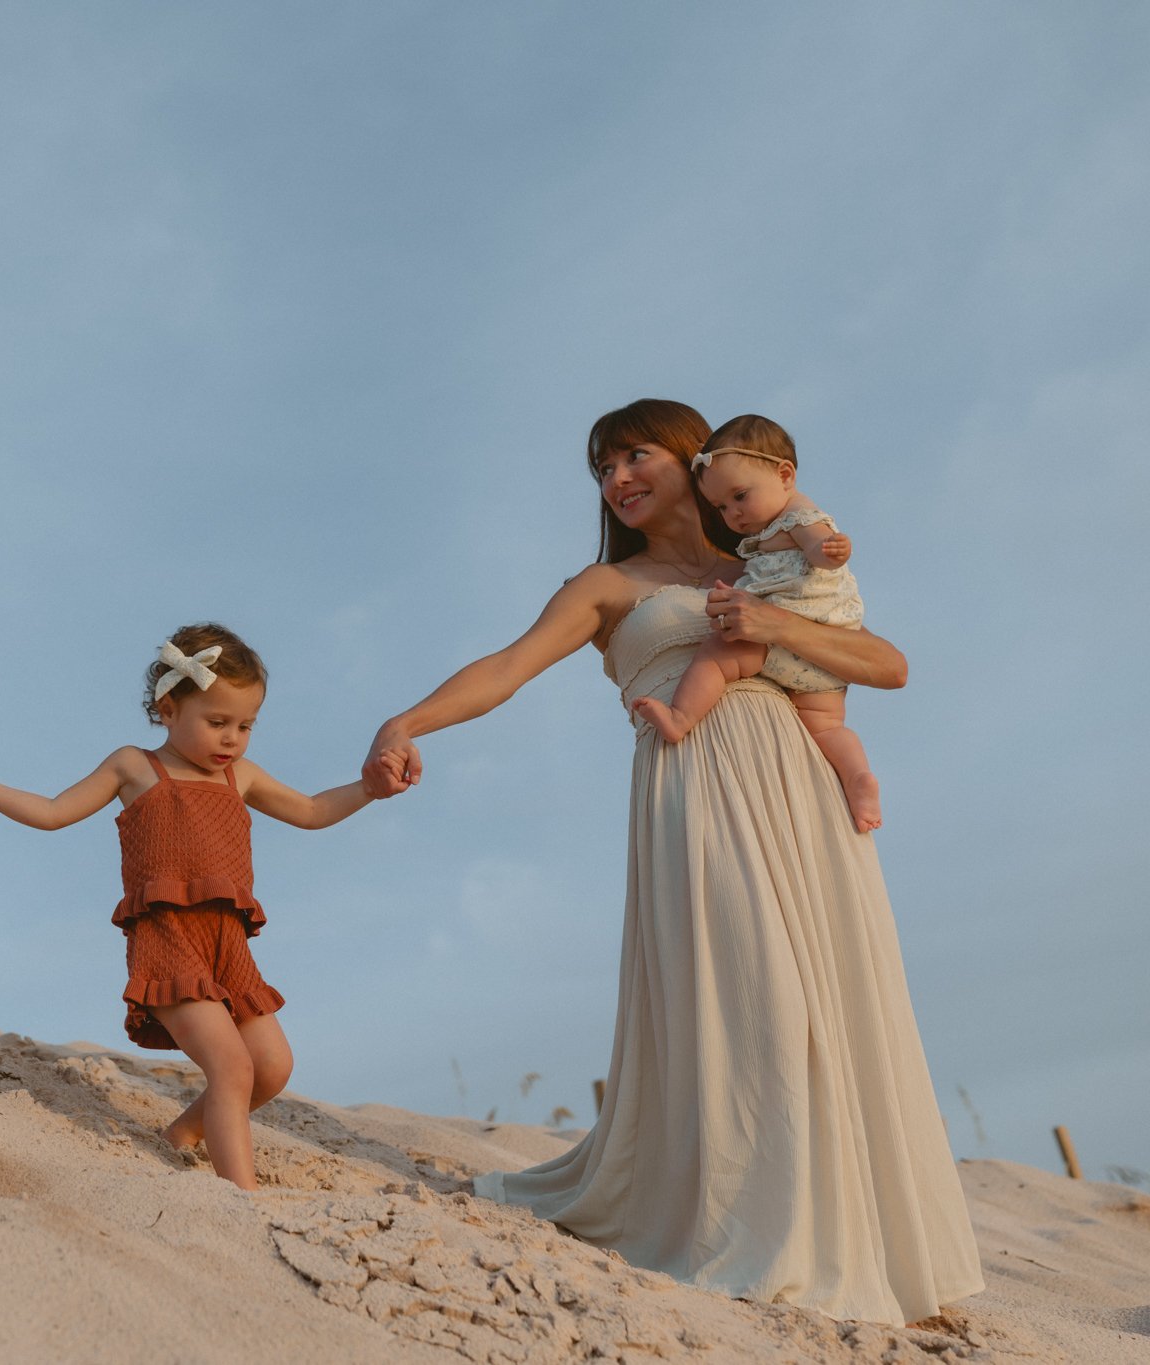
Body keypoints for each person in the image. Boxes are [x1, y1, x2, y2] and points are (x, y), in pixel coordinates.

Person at [363, 399, 982, 1324]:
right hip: (696, 791)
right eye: (603, 469)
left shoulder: (775, 560)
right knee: (756, 994)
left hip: (801, 794)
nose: (617, 480)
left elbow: (885, 662)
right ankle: (764, 1228)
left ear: (697, 457)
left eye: (634, 454)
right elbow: (505, 666)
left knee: (829, 997)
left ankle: (855, 1243)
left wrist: (771, 622)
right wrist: (405, 721)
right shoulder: (607, 586)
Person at [0, 624, 372, 1189]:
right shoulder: (135, 766)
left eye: (245, 725)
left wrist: (369, 787)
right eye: (217, 722)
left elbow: (313, 810)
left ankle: (183, 1135)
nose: (232, 739)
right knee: (231, 1066)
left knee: (271, 1068)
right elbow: (51, 811)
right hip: (168, 938)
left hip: (227, 942)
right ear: (168, 708)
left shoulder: (238, 777)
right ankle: (240, 1198)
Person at [630, 414, 879, 831]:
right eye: (721, 507)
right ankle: (858, 778)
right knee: (826, 725)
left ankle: (681, 718)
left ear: (785, 475)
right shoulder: (764, 536)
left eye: (740, 496)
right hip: (826, 655)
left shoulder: (798, 515)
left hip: (791, 630)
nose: (733, 514)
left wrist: (830, 552)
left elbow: (818, 547)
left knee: (718, 655)